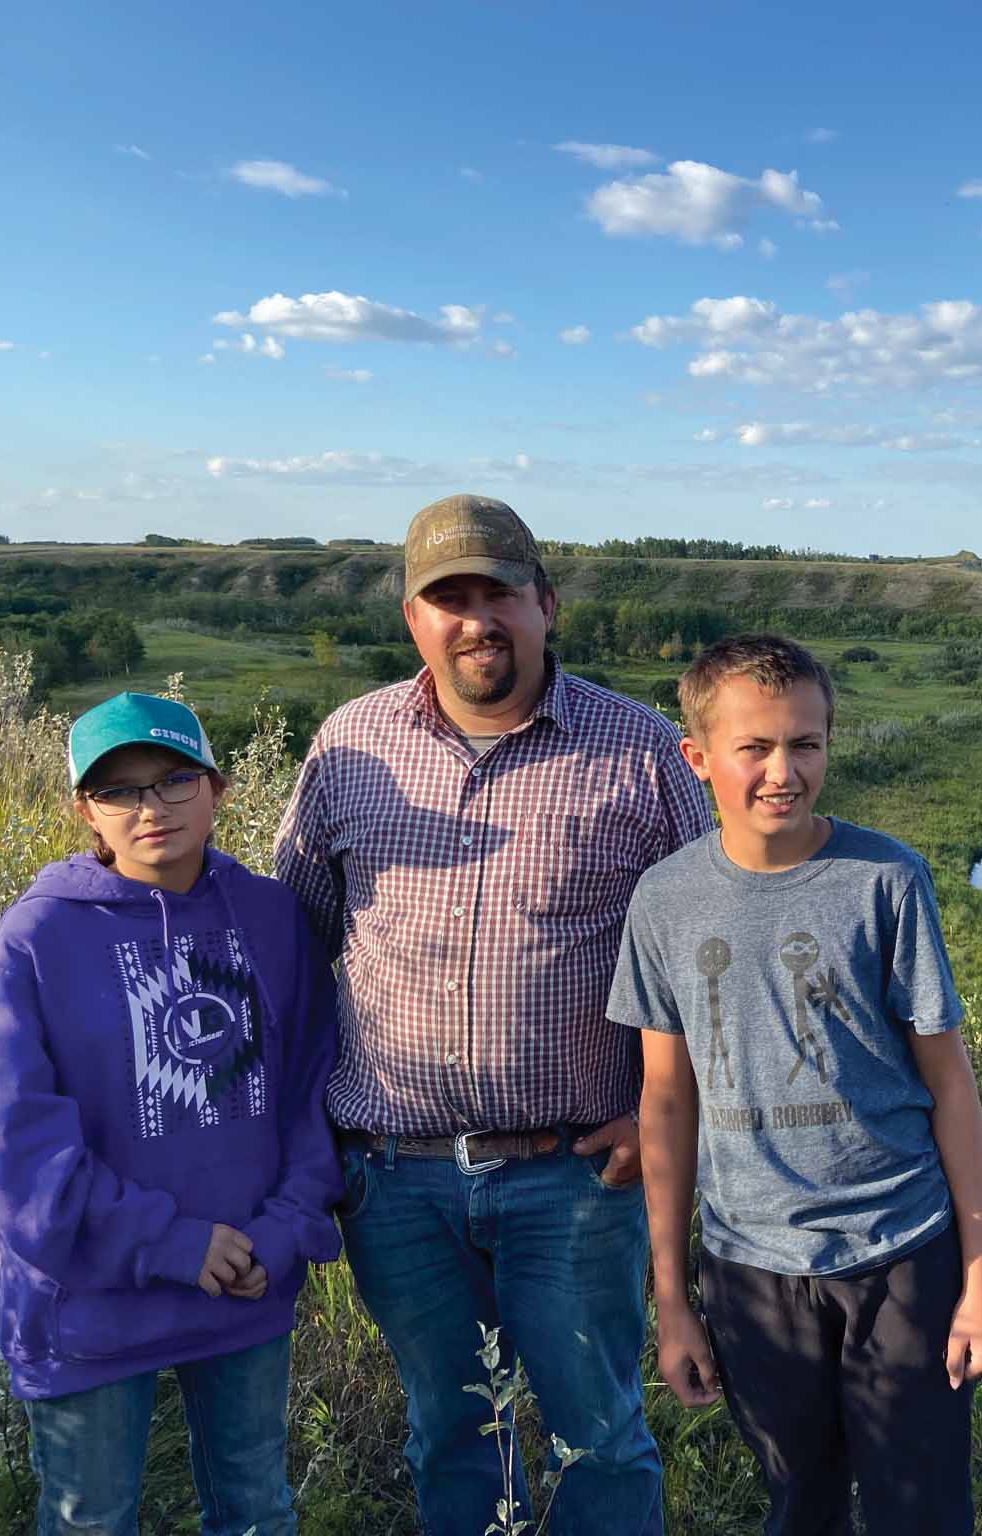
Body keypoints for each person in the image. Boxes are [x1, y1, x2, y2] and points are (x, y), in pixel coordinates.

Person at [272, 494, 713, 1536]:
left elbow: (711, 960)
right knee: (449, 1436)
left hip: (576, 1174)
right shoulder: (350, 749)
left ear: (545, 604)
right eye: (447, 599)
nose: (477, 620)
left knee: (597, 1438)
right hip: (395, 1180)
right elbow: (294, 943)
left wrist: (663, 1117)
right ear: (412, 620)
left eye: (499, 594)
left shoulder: (638, 752)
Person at [610, 633, 982, 1536]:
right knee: (801, 1504)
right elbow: (666, 1104)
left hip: (901, 1250)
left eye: (805, 744)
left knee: (923, 1510)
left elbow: (951, 1085)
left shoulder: (887, 881)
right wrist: (674, 1304)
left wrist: (981, 1278)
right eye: (754, 747)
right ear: (700, 758)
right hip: (750, 1269)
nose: (781, 771)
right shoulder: (664, 901)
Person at [0, 692, 341, 1536]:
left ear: (218, 788)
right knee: (92, 1519)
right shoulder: (39, 936)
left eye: (172, 780)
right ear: (85, 810)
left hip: (245, 1281)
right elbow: (5, 1141)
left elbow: (315, 1089)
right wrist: (165, 1241)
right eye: (118, 791)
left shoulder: (272, 918)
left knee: (257, 1511)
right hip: (91, 1299)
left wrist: (285, 1229)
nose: (150, 807)